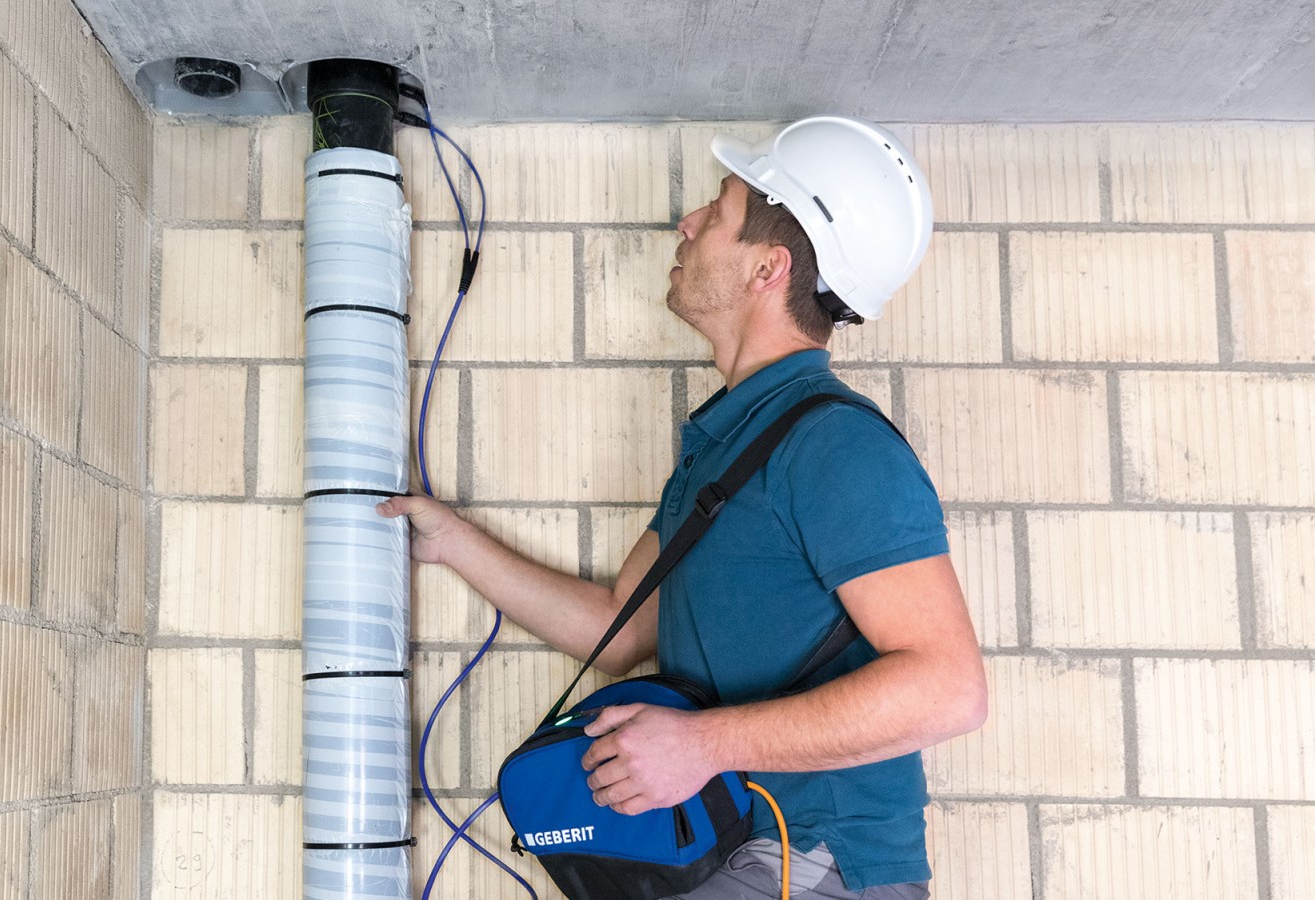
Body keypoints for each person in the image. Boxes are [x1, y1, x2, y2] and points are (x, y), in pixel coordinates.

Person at [378, 116, 987, 899]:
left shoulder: (834, 445)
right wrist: (454, 541)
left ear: (768, 267)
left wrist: (702, 746)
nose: (687, 223)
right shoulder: (726, 446)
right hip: (727, 853)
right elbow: (617, 628)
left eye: (718, 212)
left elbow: (949, 689)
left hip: (814, 863)